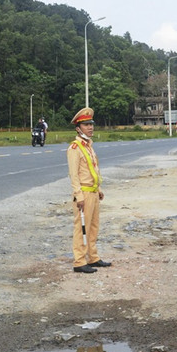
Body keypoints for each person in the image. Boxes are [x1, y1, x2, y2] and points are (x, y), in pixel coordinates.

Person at [67, 108, 111, 273]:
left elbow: (94, 169)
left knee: (93, 226)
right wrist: (79, 196)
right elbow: (74, 175)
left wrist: (99, 188)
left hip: (92, 192)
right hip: (83, 194)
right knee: (81, 227)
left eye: (91, 124)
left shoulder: (89, 147)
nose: (90, 127)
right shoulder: (74, 148)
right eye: (86, 125)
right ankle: (79, 261)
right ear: (78, 128)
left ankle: (93, 257)